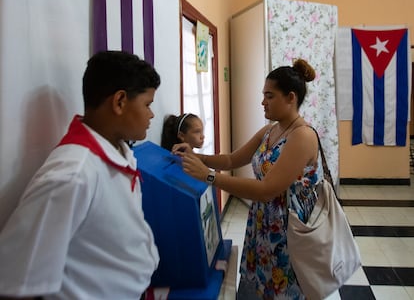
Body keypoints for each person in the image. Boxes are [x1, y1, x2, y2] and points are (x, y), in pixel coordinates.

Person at [0, 51, 161, 300]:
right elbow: (16, 282)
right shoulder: (72, 175)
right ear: (119, 102)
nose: (151, 115)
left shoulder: (120, 153)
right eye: (147, 105)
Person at [172, 59, 323, 299]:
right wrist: (197, 157)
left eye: (270, 96)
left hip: (289, 231)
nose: (263, 102)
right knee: (267, 288)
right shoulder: (270, 131)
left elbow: (266, 190)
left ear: (290, 98)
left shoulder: (302, 136)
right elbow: (231, 160)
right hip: (265, 223)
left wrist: (208, 176)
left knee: (286, 290)